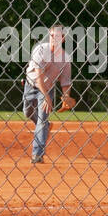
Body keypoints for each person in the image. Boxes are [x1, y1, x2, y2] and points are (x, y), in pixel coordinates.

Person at [22, 23, 73, 164]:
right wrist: (46, 96)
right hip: (31, 84)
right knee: (27, 113)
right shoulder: (40, 49)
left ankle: (37, 154)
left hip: (48, 89)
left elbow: (65, 82)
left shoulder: (65, 59)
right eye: (51, 36)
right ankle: (45, 126)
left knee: (42, 119)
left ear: (62, 39)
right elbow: (38, 76)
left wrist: (66, 97)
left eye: (57, 36)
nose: (53, 38)